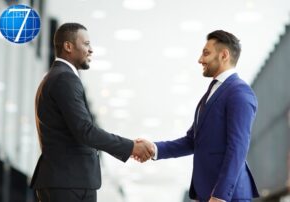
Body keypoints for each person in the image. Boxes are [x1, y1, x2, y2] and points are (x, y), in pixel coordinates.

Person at [30, 23, 154, 202]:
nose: (91, 50)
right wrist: (131, 146)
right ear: (68, 46)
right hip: (68, 182)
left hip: (68, 180)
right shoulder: (65, 78)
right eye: (86, 44)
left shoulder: (57, 77)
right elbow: (85, 130)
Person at [147, 30, 259, 202]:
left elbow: (238, 147)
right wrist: (154, 149)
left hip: (227, 197)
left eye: (206, 53)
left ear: (224, 55)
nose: (200, 60)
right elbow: (192, 141)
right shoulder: (212, 92)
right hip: (207, 193)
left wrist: (220, 195)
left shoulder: (239, 92)